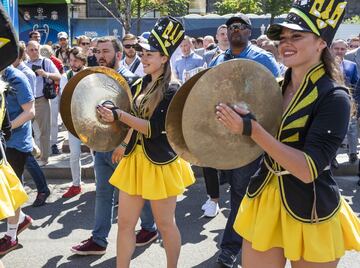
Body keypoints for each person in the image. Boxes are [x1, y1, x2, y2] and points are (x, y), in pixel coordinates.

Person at [216, 1, 360, 266]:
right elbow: (256, 141)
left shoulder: (334, 97)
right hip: (265, 197)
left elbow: (307, 169)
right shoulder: (275, 85)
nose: (285, 43)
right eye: (282, 37)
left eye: (296, 36)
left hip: (311, 206)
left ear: (321, 43)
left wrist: (252, 129)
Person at [97, 17, 195, 267]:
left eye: (150, 54)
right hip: (135, 160)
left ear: (164, 58)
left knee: (165, 224)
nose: (144, 57)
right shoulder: (141, 82)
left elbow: (154, 129)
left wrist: (121, 115)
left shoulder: (172, 88)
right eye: (143, 53)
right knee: (125, 225)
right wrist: (117, 128)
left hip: (160, 163)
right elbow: (131, 120)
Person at [71, 37, 157, 255]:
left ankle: (149, 228)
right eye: (98, 51)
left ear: (118, 55)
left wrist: (124, 145)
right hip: (101, 146)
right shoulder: (93, 79)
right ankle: (99, 240)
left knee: (133, 191)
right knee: (103, 193)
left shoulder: (132, 81)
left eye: (106, 51)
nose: (101, 55)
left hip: (124, 148)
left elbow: (137, 117)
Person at [207, 13, 280, 267]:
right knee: (237, 192)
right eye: (230, 27)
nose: (234, 30)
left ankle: (230, 249)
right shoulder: (217, 59)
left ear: (249, 31)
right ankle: (245, 241)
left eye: (240, 26)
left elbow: (276, 96)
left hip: (252, 139)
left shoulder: (264, 59)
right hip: (225, 139)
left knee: (242, 193)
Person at [0, 77, 31, 256]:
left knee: (12, 193)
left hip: (15, 145)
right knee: (10, 193)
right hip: (5, 147)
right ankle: (18, 222)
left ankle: (12, 233)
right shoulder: (3, 84)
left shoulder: (18, 79)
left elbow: (30, 111)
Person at [25, 41, 61, 166]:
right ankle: (30, 155)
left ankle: (45, 158)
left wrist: (46, 74)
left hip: (41, 100)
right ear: (26, 51)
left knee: (44, 131)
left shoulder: (46, 62)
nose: (34, 52)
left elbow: (59, 76)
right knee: (26, 131)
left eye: (36, 49)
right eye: (31, 50)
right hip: (27, 102)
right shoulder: (25, 64)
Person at [60, 47, 87, 198]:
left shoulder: (91, 72)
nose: (72, 63)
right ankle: (76, 185)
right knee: (74, 154)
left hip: (92, 120)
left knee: (96, 154)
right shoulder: (66, 76)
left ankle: (100, 184)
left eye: (75, 60)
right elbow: (65, 99)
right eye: (70, 60)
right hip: (73, 120)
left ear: (83, 60)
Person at [331, 39, 360, 163]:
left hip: (349, 101)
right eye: (337, 48)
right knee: (333, 129)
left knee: (352, 128)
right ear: (331, 49)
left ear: (346, 50)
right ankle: (333, 156)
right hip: (331, 101)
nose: (339, 51)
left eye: (342, 49)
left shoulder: (351, 65)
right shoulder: (326, 64)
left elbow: (356, 82)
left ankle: (353, 153)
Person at [40, 45, 64, 155]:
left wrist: (49, 77)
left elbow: (61, 78)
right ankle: (43, 146)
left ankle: (54, 144)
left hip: (53, 93)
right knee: (42, 123)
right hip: (39, 96)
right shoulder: (34, 61)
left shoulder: (57, 62)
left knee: (53, 121)